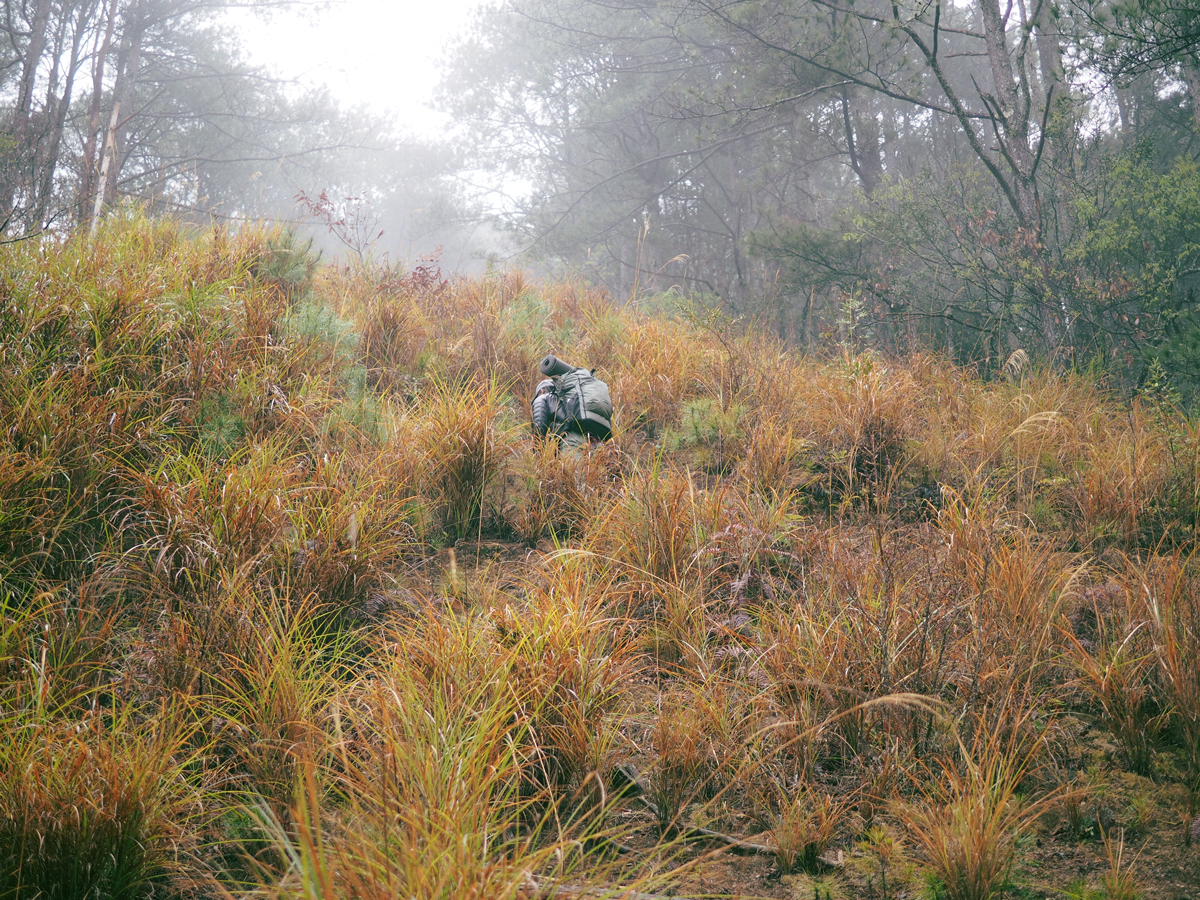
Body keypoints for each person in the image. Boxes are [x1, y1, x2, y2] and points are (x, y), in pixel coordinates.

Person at [531, 377, 589, 453]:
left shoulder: (542, 398)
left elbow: (539, 426)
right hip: (590, 439)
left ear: (541, 391)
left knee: (571, 464)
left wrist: (538, 451)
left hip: (570, 441)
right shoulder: (567, 399)